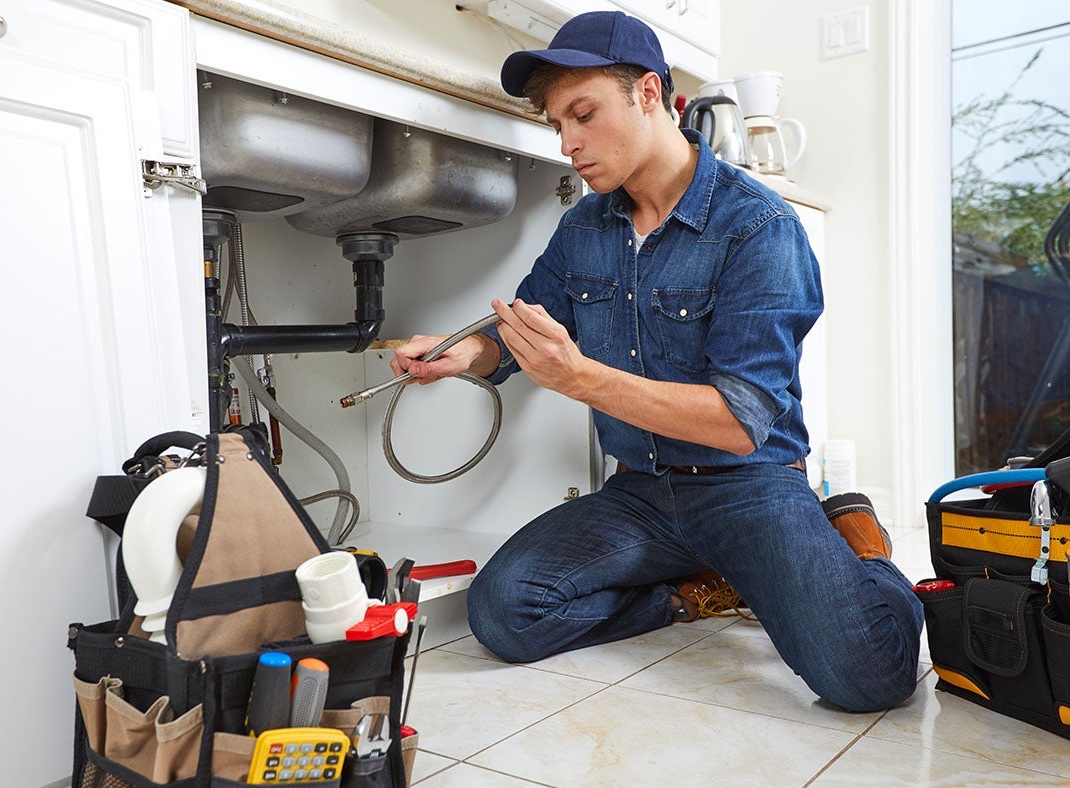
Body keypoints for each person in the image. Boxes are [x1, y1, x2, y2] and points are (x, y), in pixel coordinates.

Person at [389, 11, 922, 713]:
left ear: (648, 94)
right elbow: (521, 325)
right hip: (640, 493)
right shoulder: (584, 225)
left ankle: (862, 549)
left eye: (583, 114)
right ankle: (693, 594)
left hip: (748, 487)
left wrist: (581, 377)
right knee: (505, 613)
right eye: (557, 125)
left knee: (869, 676)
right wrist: (464, 353)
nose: (569, 142)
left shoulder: (759, 228)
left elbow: (739, 422)